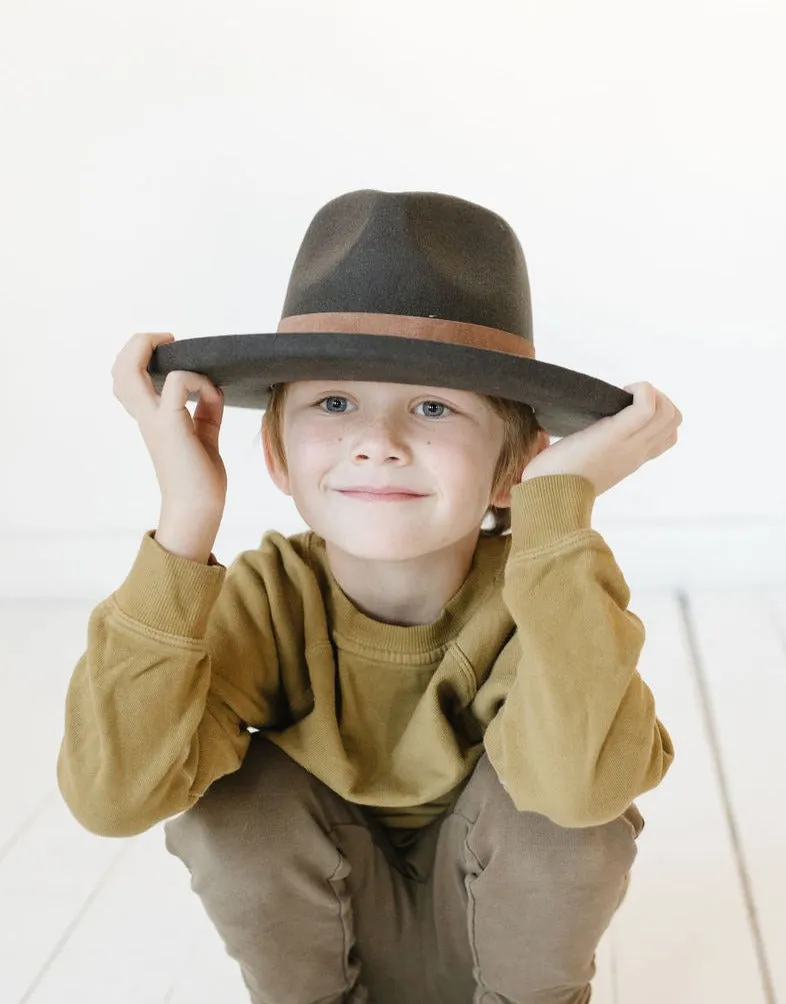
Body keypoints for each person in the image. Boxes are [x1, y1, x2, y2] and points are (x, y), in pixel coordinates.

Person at [57, 189, 683, 1004]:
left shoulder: (543, 595)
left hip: (508, 955)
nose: (378, 445)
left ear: (514, 465)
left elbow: (585, 791)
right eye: (335, 403)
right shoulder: (268, 601)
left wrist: (556, 509)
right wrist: (186, 517)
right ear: (276, 456)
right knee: (225, 800)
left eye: (432, 406)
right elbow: (114, 794)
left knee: (567, 816)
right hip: (329, 954)